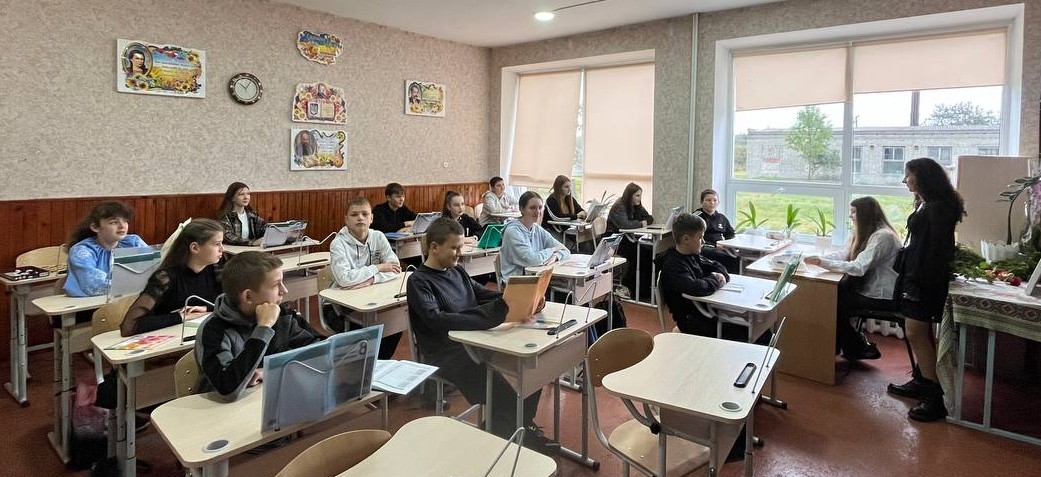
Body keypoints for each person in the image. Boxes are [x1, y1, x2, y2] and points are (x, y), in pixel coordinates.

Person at [406, 217, 552, 451]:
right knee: (503, 396)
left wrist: (523, 298)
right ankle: (506, 438)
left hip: (476, 342)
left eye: (461, 247)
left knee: (534, 371)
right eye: (454, 248)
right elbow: (437, 320)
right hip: (447, 353)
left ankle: (514, 428)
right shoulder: (418, 281)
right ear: (434, 247)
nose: (459, 253)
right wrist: (489, 316)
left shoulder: (457, 271)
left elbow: (485, 295)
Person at [887, 157, 964, 422]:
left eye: (908, 175)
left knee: (915, 332)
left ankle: (934, 398)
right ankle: (922, 380)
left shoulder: (938, 209)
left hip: (924, 280)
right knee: (921, 333)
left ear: (922, 177)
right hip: (917, 276)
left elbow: (936, 251)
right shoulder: (930, 204)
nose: (905, 180)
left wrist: (920, 282)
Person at [195, 251, 323, 402]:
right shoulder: (214, 329)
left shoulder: (283, 315)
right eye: (276, 285)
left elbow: (322, 351)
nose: (284, 290)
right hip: (221, 411)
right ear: (248, 296)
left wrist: (270, 371)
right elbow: (228, 389)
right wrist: (263, 328)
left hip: (268, 400)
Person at [804, 197, 902, 361]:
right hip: (870, 290)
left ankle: (853, 347)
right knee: (834, 295)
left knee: (829, 301)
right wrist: (819, 259)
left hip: (882, 296)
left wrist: (823, 263)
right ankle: (848, 346)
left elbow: (858, 267)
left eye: (854, 212)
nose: (850, 216)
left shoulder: (883, 237)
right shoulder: (867, 232)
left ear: (865, 214)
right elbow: (845, 254)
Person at [327, 196, 403, 360]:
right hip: (341, 306)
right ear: (346, 220)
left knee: (395, 323)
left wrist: (372, 280)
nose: (360, 218)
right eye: (354, 214)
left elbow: (395, 268)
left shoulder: (378, 237)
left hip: (373, 297)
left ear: (371, 218)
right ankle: (365, 366)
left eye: (364, 214)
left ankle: (378, 364)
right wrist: (378, 267)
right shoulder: (338, 243)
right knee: (369, 332)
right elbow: (345, 279)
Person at [120, 219, 225, 336]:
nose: (222, 249)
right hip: (165, 340)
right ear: (195, 248)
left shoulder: (216, 270)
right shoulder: (165, 278)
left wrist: (206, 308)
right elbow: (129, 326)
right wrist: (180, 316)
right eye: (217, 244)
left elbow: (232, 304)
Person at [655, 213, 739, 338]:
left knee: (750, 326)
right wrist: (715, 279)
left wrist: (720, 275)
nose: (704, 241)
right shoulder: (673, 265)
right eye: (700, 237)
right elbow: (696, 287)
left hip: (705, 313)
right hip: (693, 322)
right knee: (747, 332)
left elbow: (718, 266)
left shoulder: (692, 255)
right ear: (686, 239)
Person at [65, 201, 149, 297]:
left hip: (129, 298)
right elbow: (92, 284)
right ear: (95, 227)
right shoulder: (81, 250)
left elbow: (154, 269)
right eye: (113, 222)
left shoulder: (134, 242)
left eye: (125, 221)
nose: (122, 226)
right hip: (90, 303)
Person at [499, 191, 570, 281]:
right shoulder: (512, 232)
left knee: (566, 284)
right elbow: (532, 260)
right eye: (532, 208)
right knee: (563, 286)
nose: (537, 212)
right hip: (516, 282)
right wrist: (553, 249)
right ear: (522, 209)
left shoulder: (537, 228)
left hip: (536, 277)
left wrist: (555, 256)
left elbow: (565, 250)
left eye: (540, 207)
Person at [607, 182, 654, 299]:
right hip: (615, 242)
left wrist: (643, 222)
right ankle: (630, 287)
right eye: (637, 195)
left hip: (627, 239)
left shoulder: (635, 205)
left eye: (640, 195)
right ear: (629, 195)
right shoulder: (619, 206)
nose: (640, 198)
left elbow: (649, 218)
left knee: (649, 252)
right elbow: (625, 225)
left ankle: (643, 290)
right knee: (641, 254)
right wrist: (641, 223)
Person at [693, 189, 740, 273]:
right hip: (704, 246)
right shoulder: (696, 217)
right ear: (702, 202)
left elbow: (730, 234)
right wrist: (715, 245)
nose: (712, 203)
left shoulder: (721, 217)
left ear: (718, 202)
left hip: (722, 246)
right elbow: (694, 237)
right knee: (725, 257)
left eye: (715, 200)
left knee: (738, 257)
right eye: (708, 200)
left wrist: (727, 244)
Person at [217, 182, 267, 246]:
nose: (246, 197)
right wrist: (251, 242)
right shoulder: (225, 216)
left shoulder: (253, 215)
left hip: (252, 249)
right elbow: (228, 236)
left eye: (248, 194)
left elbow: (264, 228)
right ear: (232, 198)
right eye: (241, 194)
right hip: (234, 250)